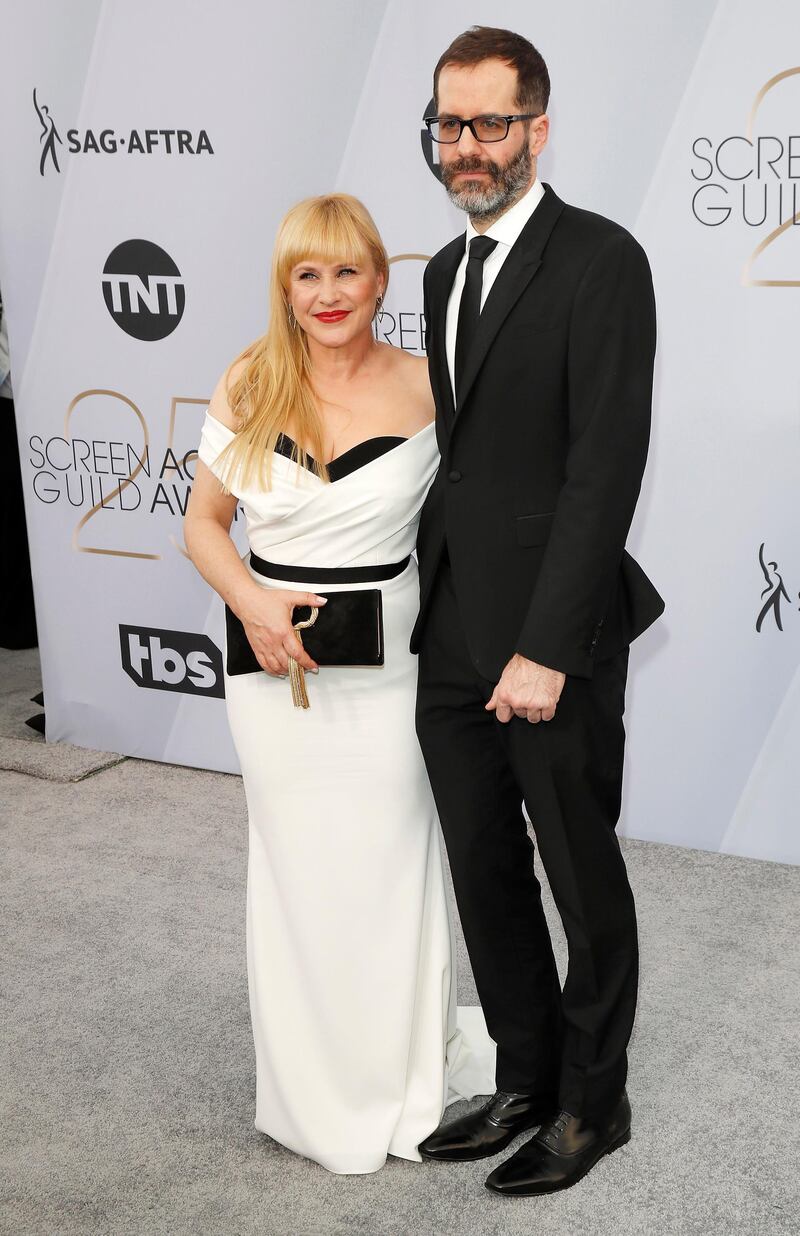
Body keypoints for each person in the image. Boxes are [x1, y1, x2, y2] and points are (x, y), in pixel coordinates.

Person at [184, 193, 495, 1175]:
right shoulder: (249, 378)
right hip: (270, 668)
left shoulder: (424, 386)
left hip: (393, 664)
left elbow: (482, 515)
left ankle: (402, 1079)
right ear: (285, 285)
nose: (326, 294)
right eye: (305, 275)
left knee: (391, 866)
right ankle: (311, 1087)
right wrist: (252, 604)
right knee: (296, 869)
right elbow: (203, 523)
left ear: (379, 278)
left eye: (345, 272)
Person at [413, 27, 664, 1196]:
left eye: (489, 125)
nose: (467, 148)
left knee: (576, 870)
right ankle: (524, 1075)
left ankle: (592, 1101)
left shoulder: (599, 259)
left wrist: (544, 649)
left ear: (537, 129)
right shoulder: (438, 270)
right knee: (482, 868)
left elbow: (600, 470)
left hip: (548, 642)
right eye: (448, 125)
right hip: (454, 634)